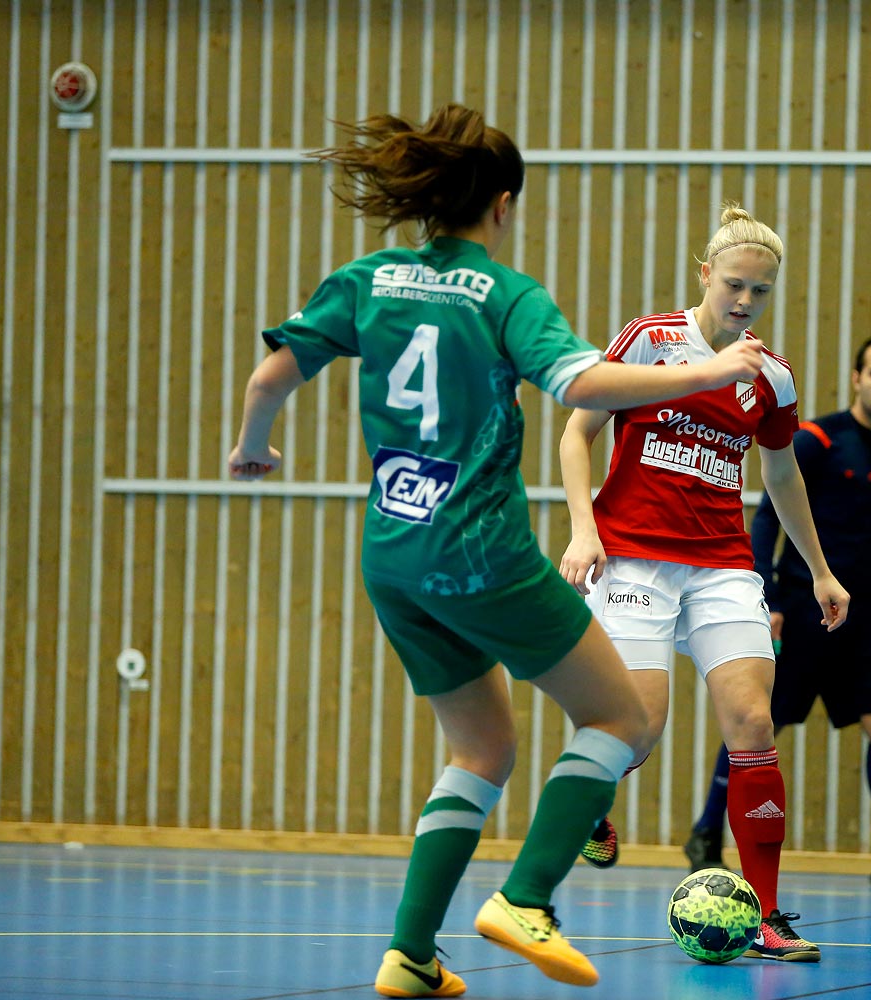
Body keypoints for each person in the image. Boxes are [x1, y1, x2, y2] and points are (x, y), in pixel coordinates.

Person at [226, 104, 767, 998]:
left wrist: (254, 445)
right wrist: (706, 370)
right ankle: (527, 897)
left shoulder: (367, 277)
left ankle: (409, 955)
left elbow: (269, 374)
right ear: (504, 204)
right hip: (480, 552)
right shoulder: (507, 294)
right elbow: (581, 382)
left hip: (392, 557)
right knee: (622, 718)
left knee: (479, 749)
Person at [557, 204, 850, 963]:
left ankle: (768, 915)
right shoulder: (649, 342)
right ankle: (593, 802)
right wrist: (584, 528)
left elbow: (781, 473)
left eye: (759, 291)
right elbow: (575, 431)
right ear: (704, 276)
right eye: (733, 286)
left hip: (721, 565)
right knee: (637, 730)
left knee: (753, 724)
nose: (744, 302)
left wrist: (819, 569)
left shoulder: (771, 377)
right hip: (633, 561)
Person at [682, 333, 871, 888]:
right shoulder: (818, 439)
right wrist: (767, 598)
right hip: (800, 612)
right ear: (857, 377)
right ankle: (706, 831)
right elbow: (768, 519)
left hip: (863, 623)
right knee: (756, 724)